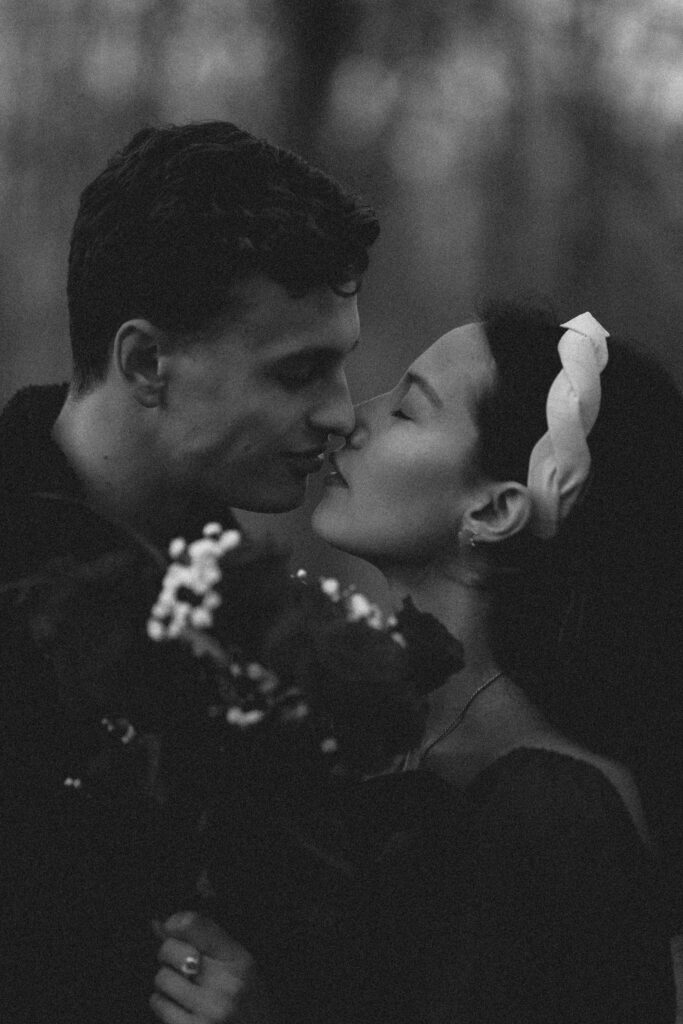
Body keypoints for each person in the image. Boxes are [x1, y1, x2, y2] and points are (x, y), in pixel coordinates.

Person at [0, 119, 378, 1024]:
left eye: (342, 366)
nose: (340, 415)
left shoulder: (269, 614)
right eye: (298, 372)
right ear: (145, 362)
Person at [309, 301, 683, 1021]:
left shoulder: (556, 815)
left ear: (494, 509)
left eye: (406, 411)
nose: (348, 416)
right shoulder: (381, 732)